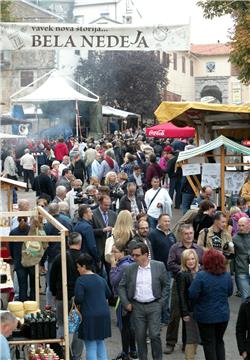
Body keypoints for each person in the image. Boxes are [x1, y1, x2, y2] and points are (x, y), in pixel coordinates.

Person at [119, 243, 168, 360]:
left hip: (154, 305)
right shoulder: (130, 268)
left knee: (154, 335)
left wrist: (161, 303)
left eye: (137, 255)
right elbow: (121, 286)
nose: (133, 258)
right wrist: (126, 303)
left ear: (146, 255)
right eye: (133, 255)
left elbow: (166, 285)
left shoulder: (159, 266)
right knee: (140, 337)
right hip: (137, 307)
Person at [165, 224, 204, 355]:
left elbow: (203, 265)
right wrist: (184, 270)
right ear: (182, 235)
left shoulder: (198, 249)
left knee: (190, 315)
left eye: (191, 233)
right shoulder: (175, 248)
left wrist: (196, 270)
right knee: (175, 315)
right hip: (179, 284)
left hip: (194, 285)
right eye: (186, 233)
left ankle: (187, 343)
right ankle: (170, 342)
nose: (189, 235)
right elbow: (170, 264)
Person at [189, 248, 233, 360]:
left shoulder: (201, 276)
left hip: (205, 316)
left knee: (209, 344)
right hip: (223, 315)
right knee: (219, 341)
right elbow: (229, 292)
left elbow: (192, 294)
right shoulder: (227, 275)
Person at [50, 232, 83, 360]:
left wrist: (53, 293)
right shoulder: (84, 258)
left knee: (62, 324)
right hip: (79, 297)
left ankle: (61, 352)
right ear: (80, 242)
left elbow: (52, 278)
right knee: (79, 327)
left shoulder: (60, 257)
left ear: (68, 243)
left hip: (62, 296)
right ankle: (76, 355)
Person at [75, 254, 111, 360]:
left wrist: (74, 299)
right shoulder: (100, 279)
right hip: (103, 314)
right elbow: (108, 294)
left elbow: (79, 299)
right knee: (100, 343)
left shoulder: (81, 280)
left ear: (84, 266)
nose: (77, 269)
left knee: (90, 346)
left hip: (89, 315)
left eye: (78, 267)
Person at [109, 243, 137, 360]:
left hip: (122, 300)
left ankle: (126, 352)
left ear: (122, 252)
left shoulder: (123, 265)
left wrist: (113, 267)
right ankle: (132, 350)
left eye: (115, 251)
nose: (112, 254)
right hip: (129, 298)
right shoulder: (129, 262)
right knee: (129, 326)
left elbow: (114, 281)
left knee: (124, 327)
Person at [149, 213, 176, 325]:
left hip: (169, 269)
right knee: (159, 293)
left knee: (167, 293)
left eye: (168, 221)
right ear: (159, 222)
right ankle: (160, 317)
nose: (167, 223)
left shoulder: (171, 235)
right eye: (165, 221)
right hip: (158, 269)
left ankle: (165, 316)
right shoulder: (153, 234)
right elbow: (151, 252)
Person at [176, 249, 201, 360]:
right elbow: (181, 295)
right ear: (183, 261)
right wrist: (184, 313)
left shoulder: (200, 273)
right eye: (188, 259)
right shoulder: (182, 275)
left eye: (192, 258)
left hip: (200, 310)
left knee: (196, 337)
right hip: (189, 311)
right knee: (191, 338)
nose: (191, 261)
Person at [9, 217, 35, 301]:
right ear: (27, 220)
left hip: (19, 262)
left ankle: (22, 306)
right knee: (33, 286)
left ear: (17, 220)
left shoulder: (13, 232)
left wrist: (15, 258)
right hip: (32, 261)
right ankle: (33, 306)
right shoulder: (33, 231)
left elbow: (11, 249)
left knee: (22, 286)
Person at [92, 195, 117, 266]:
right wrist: (102, 230)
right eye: (105, 205)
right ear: (100, 203)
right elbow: (91, 231)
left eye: (109, 205)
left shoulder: (113, 214)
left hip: (110, 249)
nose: (108, 207)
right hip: (98, 247)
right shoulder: (93, 214)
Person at [233, 217, 250, 300]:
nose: (240, 228)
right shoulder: (234, 239)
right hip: (242, 272)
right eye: (239, 225)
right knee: (246, 299)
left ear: (248, 225)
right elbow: (232, 256)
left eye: (242, 225)